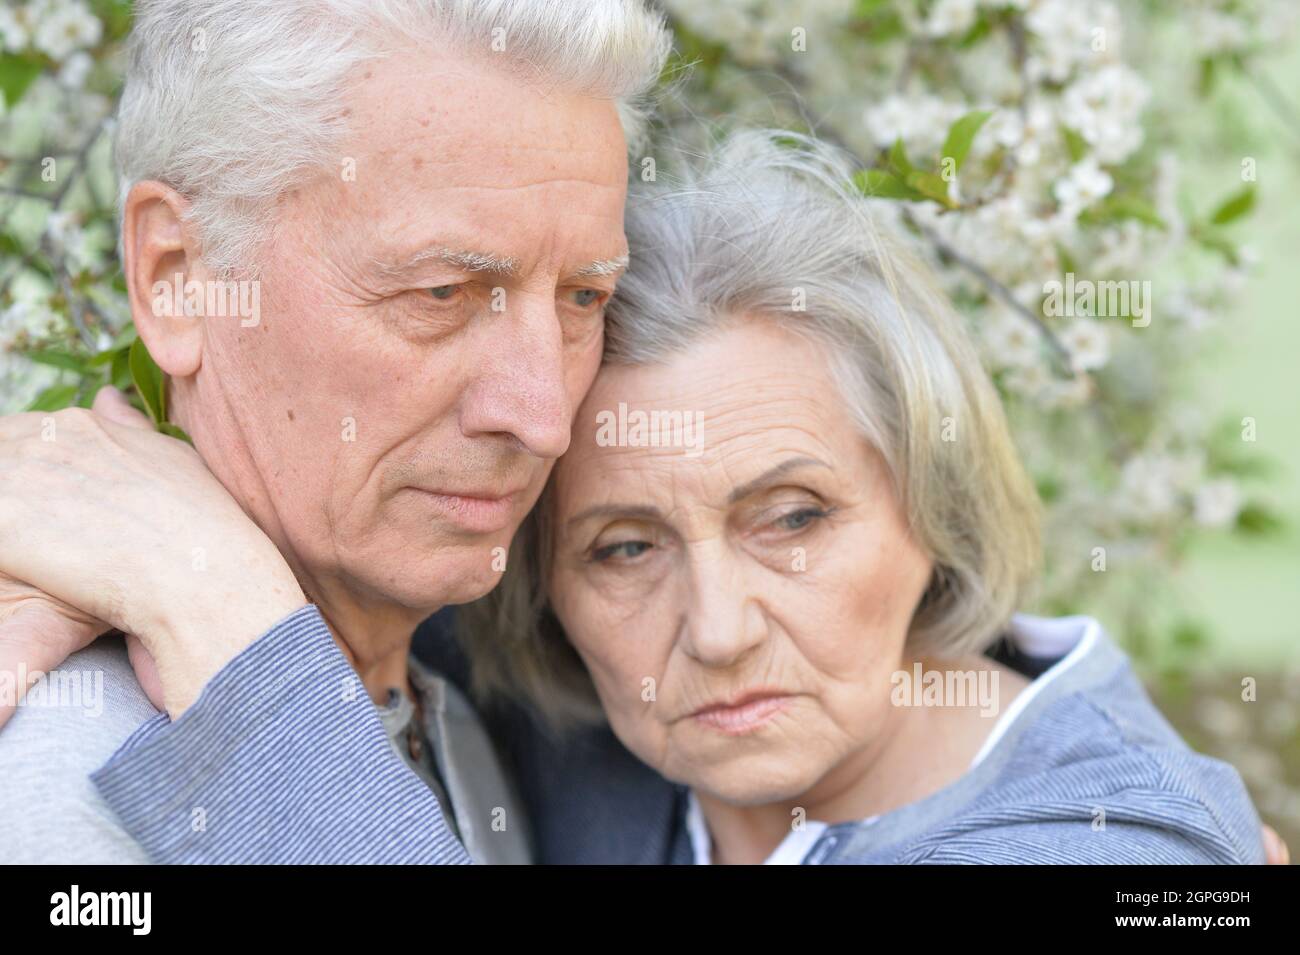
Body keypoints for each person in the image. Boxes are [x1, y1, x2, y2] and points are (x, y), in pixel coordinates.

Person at [0, 0, 670, 864]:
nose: (544, 416)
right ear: (177, 275)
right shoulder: (62, 784)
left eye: (583, 297)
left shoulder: (451, 709)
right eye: (440, 293)